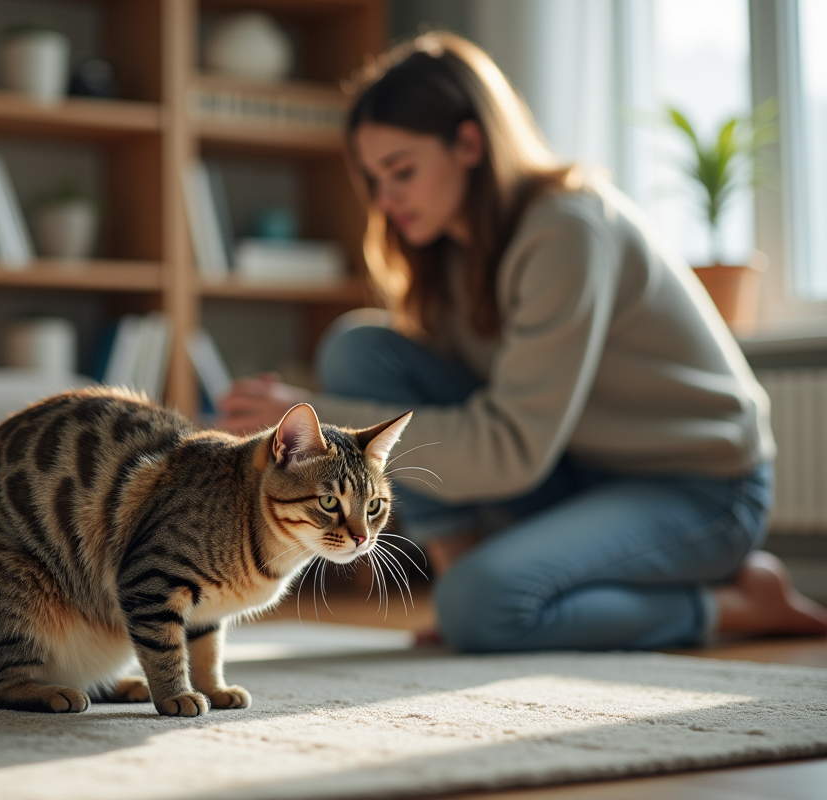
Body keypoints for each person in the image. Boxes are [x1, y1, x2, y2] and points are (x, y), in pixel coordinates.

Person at [215, 32, 827, 652]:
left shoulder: (567, 227)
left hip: (700, 488)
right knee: (360, 348)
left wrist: (316, 420)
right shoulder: (446, 251)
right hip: (574, 468)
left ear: (469, 144)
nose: (384, 199)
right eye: (373, 179)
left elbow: (510, 449)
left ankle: (737, 604)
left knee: (485, 608)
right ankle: (466, 580)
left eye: (401, 171)